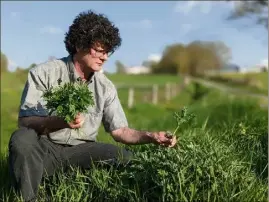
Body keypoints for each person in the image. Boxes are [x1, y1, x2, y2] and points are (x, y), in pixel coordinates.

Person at [8, 10, 177, 202]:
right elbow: (25, 121)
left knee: (129, 159)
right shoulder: (45, 73)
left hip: (82, 151)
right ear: (80, 44)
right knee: (22, 138)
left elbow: (120, 131)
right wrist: (60, 121)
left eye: (108, 51)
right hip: (46, 148)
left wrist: (152, 136)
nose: (105, 57)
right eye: (100, 50)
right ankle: (31, 198)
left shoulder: (105, 87)